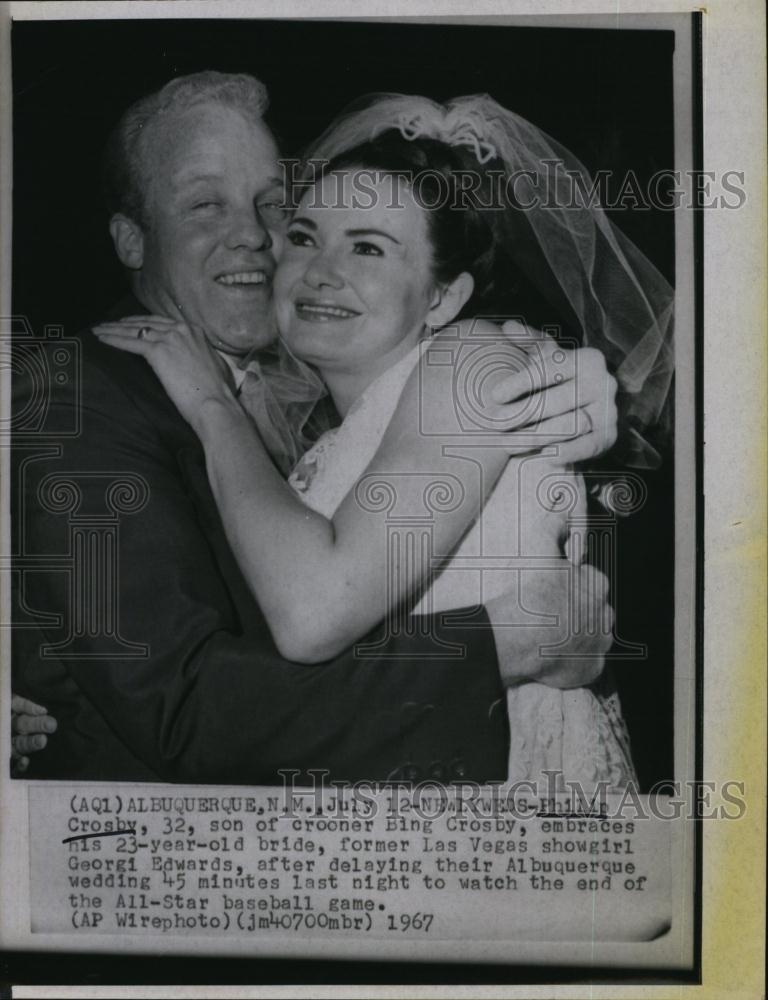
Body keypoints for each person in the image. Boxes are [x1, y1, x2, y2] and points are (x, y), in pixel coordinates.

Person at [12, 73, 620, 785]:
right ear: (131, 239)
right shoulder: (84, 393)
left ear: (445, 295)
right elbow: (185, 704)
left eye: (273, 206)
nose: (255, 238)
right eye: (206, 205)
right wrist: (511, 642)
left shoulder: (465, 369)